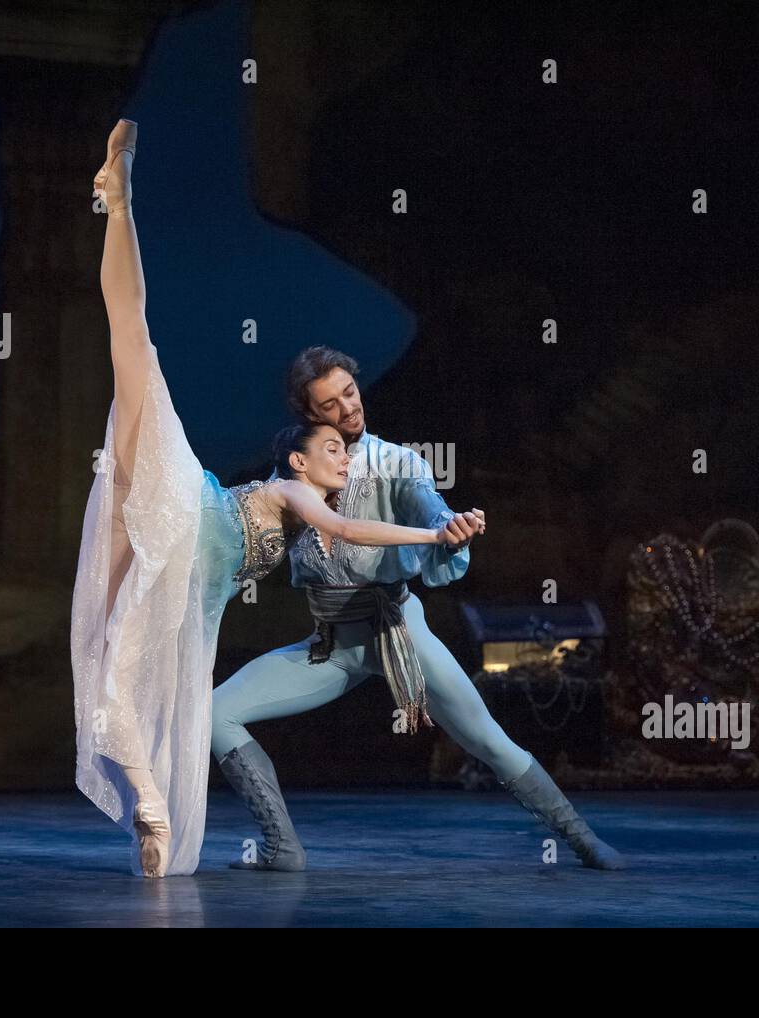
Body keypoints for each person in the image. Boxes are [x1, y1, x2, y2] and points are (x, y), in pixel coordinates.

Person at [70, 120, 478, 878]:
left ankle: (150, 811)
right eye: (328, 445)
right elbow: (345, 519)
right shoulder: (292, 487)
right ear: (295, 456)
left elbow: (350, 536)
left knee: (114, 681)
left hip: (192, 582)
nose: (340, 454)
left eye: (343, 450)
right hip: (180, 506)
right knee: (134, 342)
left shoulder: (308, 510)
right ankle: (119, 204)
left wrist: (435, 534)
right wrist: (430, 539)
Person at [210, 346, 627, 871]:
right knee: (216, 712)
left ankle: (583, 839)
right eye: (331, 405)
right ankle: (281, 847)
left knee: (488, 741)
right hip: (333, 645)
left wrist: (449, 532)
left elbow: (431, 510)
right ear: (310, 419)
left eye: (350, 392)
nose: (348, 408)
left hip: (400, 632)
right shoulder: (296, 479)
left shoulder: (398, 463)